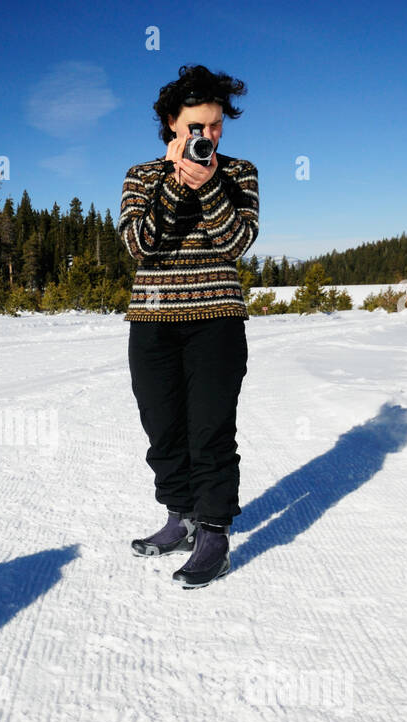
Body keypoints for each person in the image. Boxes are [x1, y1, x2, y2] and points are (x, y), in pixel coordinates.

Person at [118, 64, 259, 588]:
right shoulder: (141, 176)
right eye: (196, 127)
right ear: (172, 124)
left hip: (217, 320)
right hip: (152, 321)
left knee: (211, 430)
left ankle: (215, 534)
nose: (207, 136)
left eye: (216, 125)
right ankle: (180, 517)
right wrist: (177, 187)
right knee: (163, 427)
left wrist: (210, 185)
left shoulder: (240, 173)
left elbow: (235, 244)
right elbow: (140, 245)